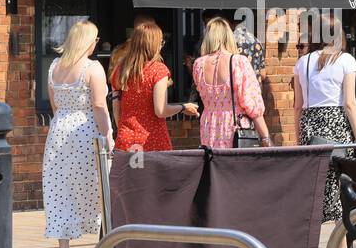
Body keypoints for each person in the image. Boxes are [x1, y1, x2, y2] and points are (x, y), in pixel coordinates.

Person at [42, 19, 113, 248]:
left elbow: (55, 105)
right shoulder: (93, 68)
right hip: (85, 130)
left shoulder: (53, 67)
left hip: (59, 130)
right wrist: (108, 134)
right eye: (95, 39)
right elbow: (99, 105)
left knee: (60, 187)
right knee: (97, 185)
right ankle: (102, 246)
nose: (96, 44)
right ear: (88, 42)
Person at [294, 14, 356, 221]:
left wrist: (299, 138)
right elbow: (349, 103)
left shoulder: (303, 62)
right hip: (337, 124)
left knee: (315, 187)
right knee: (342, 186)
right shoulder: (345, 60)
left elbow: (297, 106)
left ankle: (311, 244)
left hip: (310, 124)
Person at [110, 21, 197, 152]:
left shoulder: (120, 70)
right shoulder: (158, 69)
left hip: (126, 139)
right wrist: (183, 107)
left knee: (133, 173)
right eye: (161, 42)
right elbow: (160, 111)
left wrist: (126, 130)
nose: (162, 46)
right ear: (153, 45)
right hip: (152, 140)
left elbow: (116, 109)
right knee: (156, 173)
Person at [193, 17, 272, 149]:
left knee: (214, 166)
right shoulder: (238, 62)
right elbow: (251, 103)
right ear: (228, 36)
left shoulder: (198, 64)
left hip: (209, 126)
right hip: (234, 127)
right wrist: (265, 137)